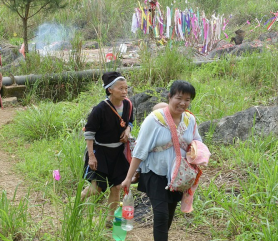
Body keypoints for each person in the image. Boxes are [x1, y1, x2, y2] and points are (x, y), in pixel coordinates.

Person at [121, 80, 202, 241]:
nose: (183, 103)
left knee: (169, 214)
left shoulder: (189, 120)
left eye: (187, 99)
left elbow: (197, 143)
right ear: (170, 97)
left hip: (177, 176)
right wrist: (129, 177)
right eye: (179, 98)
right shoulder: (154, 120)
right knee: (161, 215)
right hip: (154, 174)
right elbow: (140, 150)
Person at [81, 71, 133, 225]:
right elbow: (89, 133)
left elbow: (129, 121)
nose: (124, 92)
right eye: (120, 88)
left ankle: (111, 219)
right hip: (100, 152)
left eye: (126, 88)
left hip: (118, 152)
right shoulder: (100, 109)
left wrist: (127, 130)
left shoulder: (128, 104)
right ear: (110, 90)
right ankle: (76, 202)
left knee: (117, 186)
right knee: (97, 188)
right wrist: (91, 155)